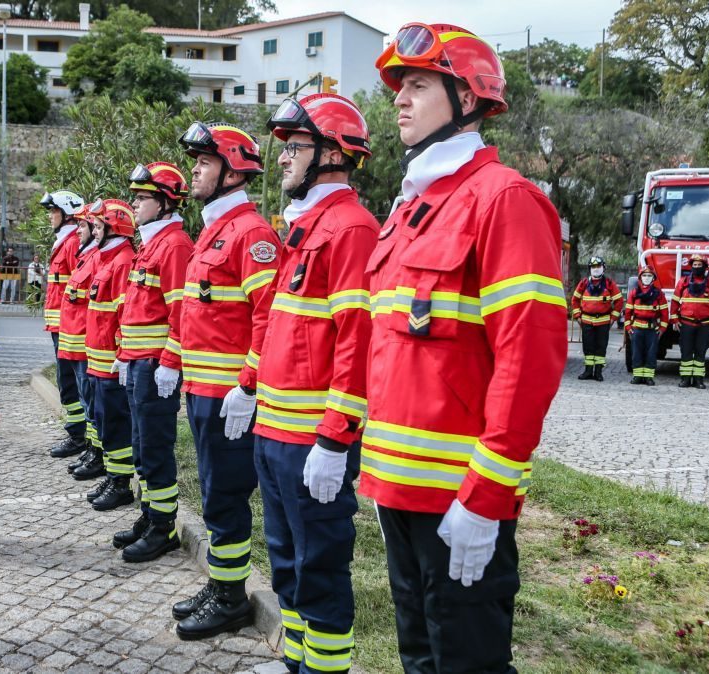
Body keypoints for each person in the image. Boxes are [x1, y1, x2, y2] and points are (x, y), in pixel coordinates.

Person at [365, 23, 568, 674]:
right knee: (419, 660)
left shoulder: (502, 200)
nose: (398, 99)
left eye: (417, 85)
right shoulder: (411, 209)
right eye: (398, 86)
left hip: (458, 501)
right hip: (398, 493)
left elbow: (528, 360)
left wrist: (485, 497)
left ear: (467, 97)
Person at [254, 93, 378, 674]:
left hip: (311, 440)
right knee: (287, 562)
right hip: (276, 431)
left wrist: (335, 439)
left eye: (295, 147)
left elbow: (358, 340)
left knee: (320, 566)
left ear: (331, 154)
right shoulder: (306, 228)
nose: (283, 159)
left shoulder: (350, 229)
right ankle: (295, 664)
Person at [166, 122, 280, 640]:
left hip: (230, 396)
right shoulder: (215, 229)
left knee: (228, 495)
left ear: (233, 171)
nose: (195, 169)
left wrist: (249, 383)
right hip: (203, 391)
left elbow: (269, 316)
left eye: (205, 162)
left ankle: (231, 596)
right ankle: (222, 582)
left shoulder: (251, 234)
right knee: (214, 493)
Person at [112, 162, 194, 564]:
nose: (135, 204)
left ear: (164, 202)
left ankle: (164, 527)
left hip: (155, 367)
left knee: (156, 448)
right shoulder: (153, 244)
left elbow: (180, 310)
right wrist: (125, 356)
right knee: (142, 446)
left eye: (142, 198)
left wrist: (170, 362)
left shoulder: (175, 245)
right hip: (138, 363)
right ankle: (151, 516)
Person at [78, 199, 138, 510]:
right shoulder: (106, 259)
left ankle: (120, 482)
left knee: (116, 423)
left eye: (99, 226)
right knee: (104, 420)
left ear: (116, 228)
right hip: (97, 361)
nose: (94, 232)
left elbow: (124, 313)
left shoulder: (123, 261)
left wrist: (122, 353)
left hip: (111, 363)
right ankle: (113, 474)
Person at [55, 205, 105, 476]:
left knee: (92, 403)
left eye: (86, 227)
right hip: (76, 343)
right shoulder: (86, 257)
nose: (81, 232)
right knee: (86, 399)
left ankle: (96, 453)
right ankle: (91, 449)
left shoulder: (96, 258)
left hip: (87, 344)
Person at [39, 190, 88, 459]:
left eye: (53, 211)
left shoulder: (71, 244)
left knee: (71, 381)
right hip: (61, 327)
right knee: (66, 380)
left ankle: (78, 435)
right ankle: (76, 431)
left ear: (67, 213)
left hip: (70, 328)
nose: (50, 216)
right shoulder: (65, 242)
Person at [670, 254, 709, 389]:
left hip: (704, 324)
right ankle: (685, 380)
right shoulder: (683, 281)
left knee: (700, 352)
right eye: (694, 265)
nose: (697, 267)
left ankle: (699, 380)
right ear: (691, 267)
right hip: (686, 323)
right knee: (686, 352)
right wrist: (674, 319)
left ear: (705, 267)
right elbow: (675, 301)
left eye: (699, 265)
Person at [571, 256, 623, 381]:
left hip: (603, 321)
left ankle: (598, 372)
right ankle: (588, 371)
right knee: (588, 346)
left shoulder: (609, 284)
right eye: (593, 267)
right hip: (587, 321)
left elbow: (619, 301)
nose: (596, 269)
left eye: (598, 266)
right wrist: (578, 316)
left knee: (601, 347)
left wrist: (613, 317)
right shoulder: (583, 283)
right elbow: (575, 300)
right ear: (589, 269)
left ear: (603, 268)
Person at [624, 265, 668, 385]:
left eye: (649, 275)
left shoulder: (659, 294)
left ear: (653, 278)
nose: (646, 278)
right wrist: (628, 327)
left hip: (652, 330)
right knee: (636, 353)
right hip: (637, 329)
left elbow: (664, 313)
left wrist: (662, 328)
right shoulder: (634, 293)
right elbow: (627, 312)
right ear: (640, 278)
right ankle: (637, 376)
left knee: (651, 353)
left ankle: (648, 377)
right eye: (644, 275)